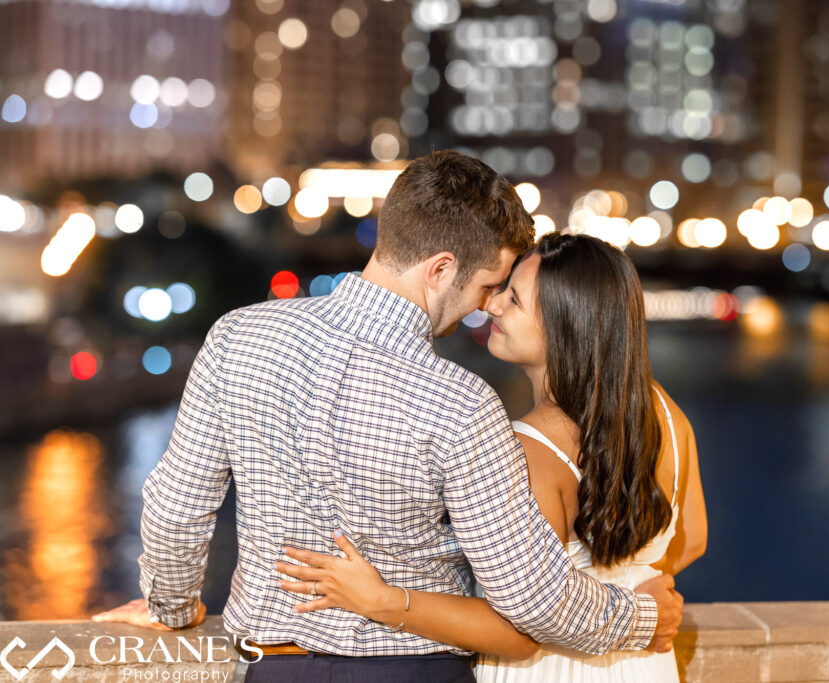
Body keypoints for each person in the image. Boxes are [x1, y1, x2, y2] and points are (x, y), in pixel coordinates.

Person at [92, 151, 684, 682]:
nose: (486, 306)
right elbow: (530, 596)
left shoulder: (237, 338)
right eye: (486, 286)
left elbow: (176, 506)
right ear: (441, 269)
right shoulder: (461, 403)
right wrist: (640, 617)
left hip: (275, 670)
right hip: (416, 672)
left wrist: (172, 606)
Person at [275, 232, 708, 681]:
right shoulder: (664, 412)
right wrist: (630, 592)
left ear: (566, 325)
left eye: (515, 300)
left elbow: (518, 624)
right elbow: (692, 538)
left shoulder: (527, 447)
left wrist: (382, 600)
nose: (493, 306)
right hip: (646, 664)